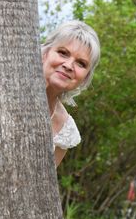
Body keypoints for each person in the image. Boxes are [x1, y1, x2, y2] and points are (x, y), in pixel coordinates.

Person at [42, 21, 100, 167]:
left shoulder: (66, 130)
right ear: (45, 53)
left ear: (85, 77)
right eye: (63, 53)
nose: (68, 66)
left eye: (81, 63)